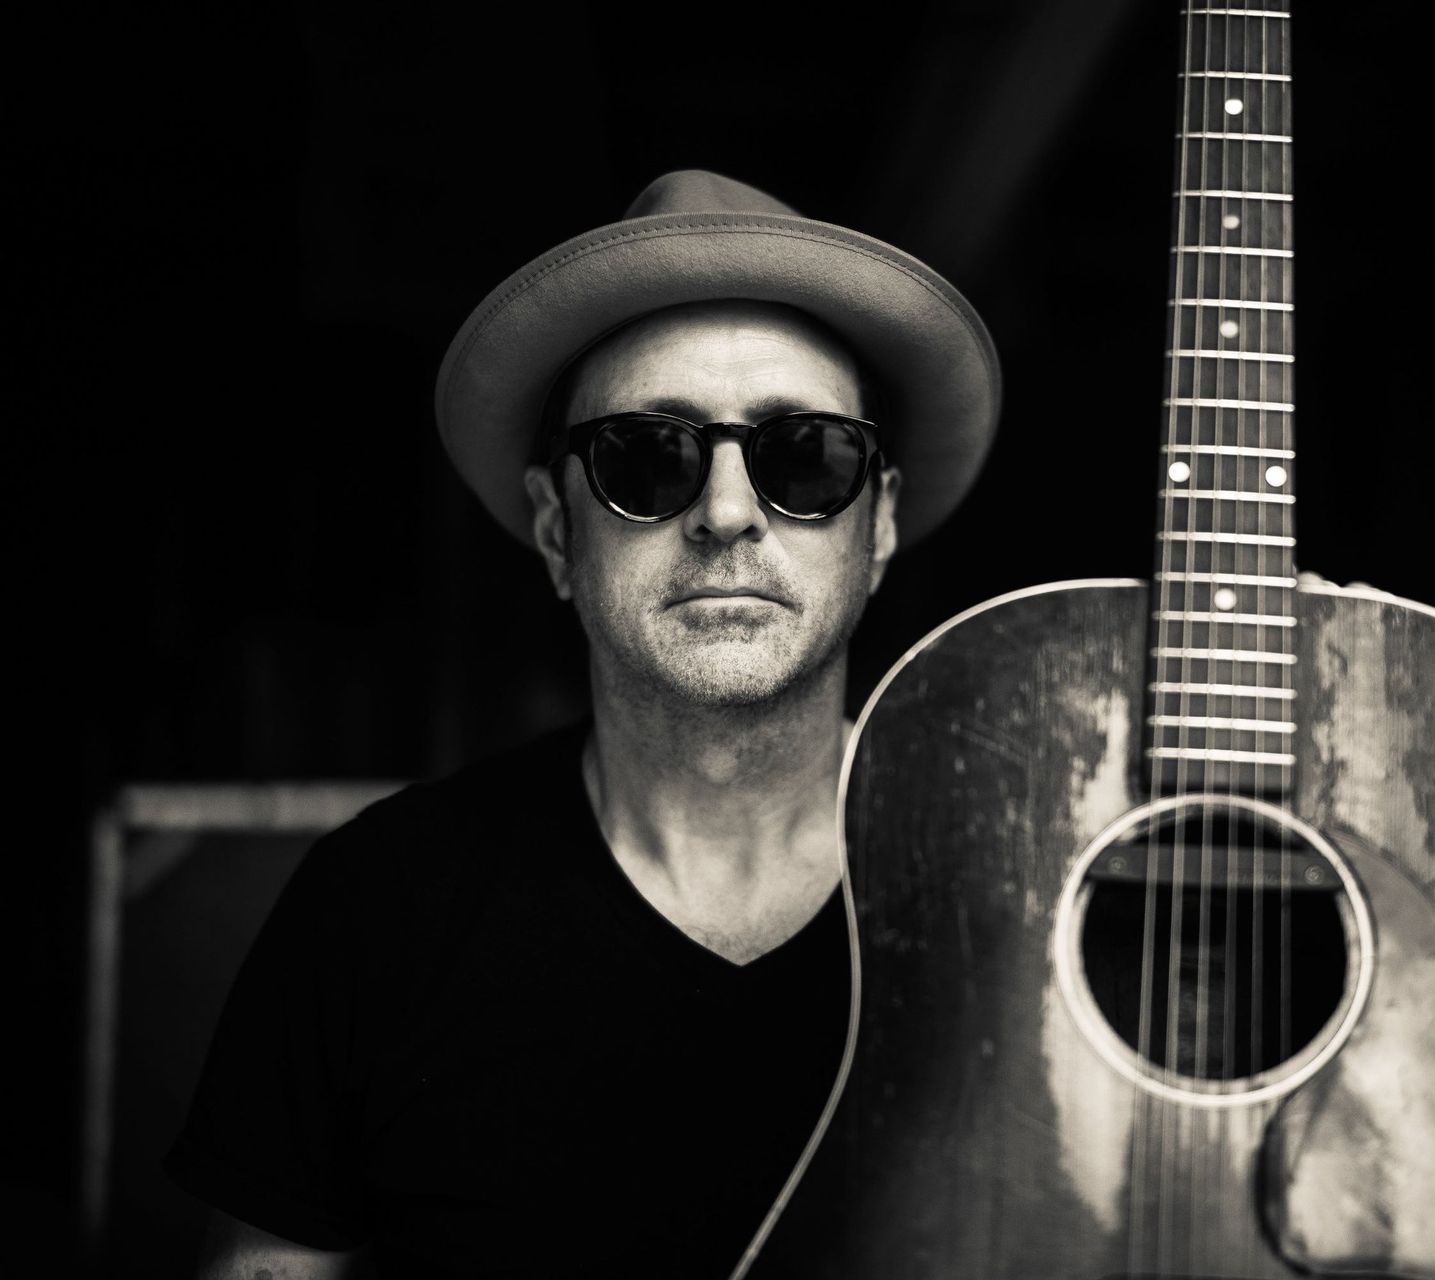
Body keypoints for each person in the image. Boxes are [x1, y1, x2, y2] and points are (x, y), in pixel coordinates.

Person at [164, 169, 1000, 1278]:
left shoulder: (1026, 898)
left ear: (880, 520)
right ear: (559, 531)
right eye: (647, 457)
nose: (727, 511)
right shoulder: (374, 909)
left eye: (806, 453)